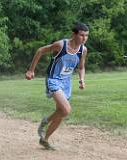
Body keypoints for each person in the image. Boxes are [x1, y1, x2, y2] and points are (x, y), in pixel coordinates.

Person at [25, 22, 89, 150]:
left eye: (86, 36)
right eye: (82, 35)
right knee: (66, 109)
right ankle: (45, 122)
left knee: (61, 113)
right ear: (74, 34)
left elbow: (81, 67)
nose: (84, 38)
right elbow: (40, 50)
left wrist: (81, 79)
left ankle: (45, 140)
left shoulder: (83, 50)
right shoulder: (61, 45)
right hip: (53, 80)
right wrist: (31, 70)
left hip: (66, 83)